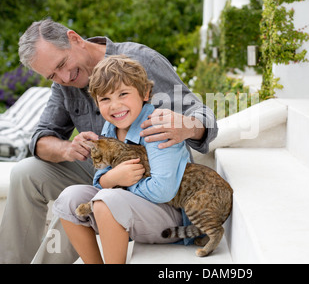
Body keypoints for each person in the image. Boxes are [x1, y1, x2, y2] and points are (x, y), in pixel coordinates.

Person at [0, 19, 217, 264]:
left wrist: (187, 127)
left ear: (74, 38)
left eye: (62, 64)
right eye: (52, 75)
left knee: (81, 201)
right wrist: (68, 148)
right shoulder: (63, 83)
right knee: (25, 172)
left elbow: (202, 114)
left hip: (155, 181)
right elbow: (40, 138)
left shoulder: (141, 61)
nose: (64, 77)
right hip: (105, 173)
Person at [54, 55, 193, 264]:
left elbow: (163, 190)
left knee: (106, 201)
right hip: (135, 209)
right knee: (69, 198)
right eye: (105, 99)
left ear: (145, 93)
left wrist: (122, 184)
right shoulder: (112, 127)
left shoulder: (158, 127)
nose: (115, 106)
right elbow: (101, 177)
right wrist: (111, 179)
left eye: (123, 94)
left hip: (171, 216)